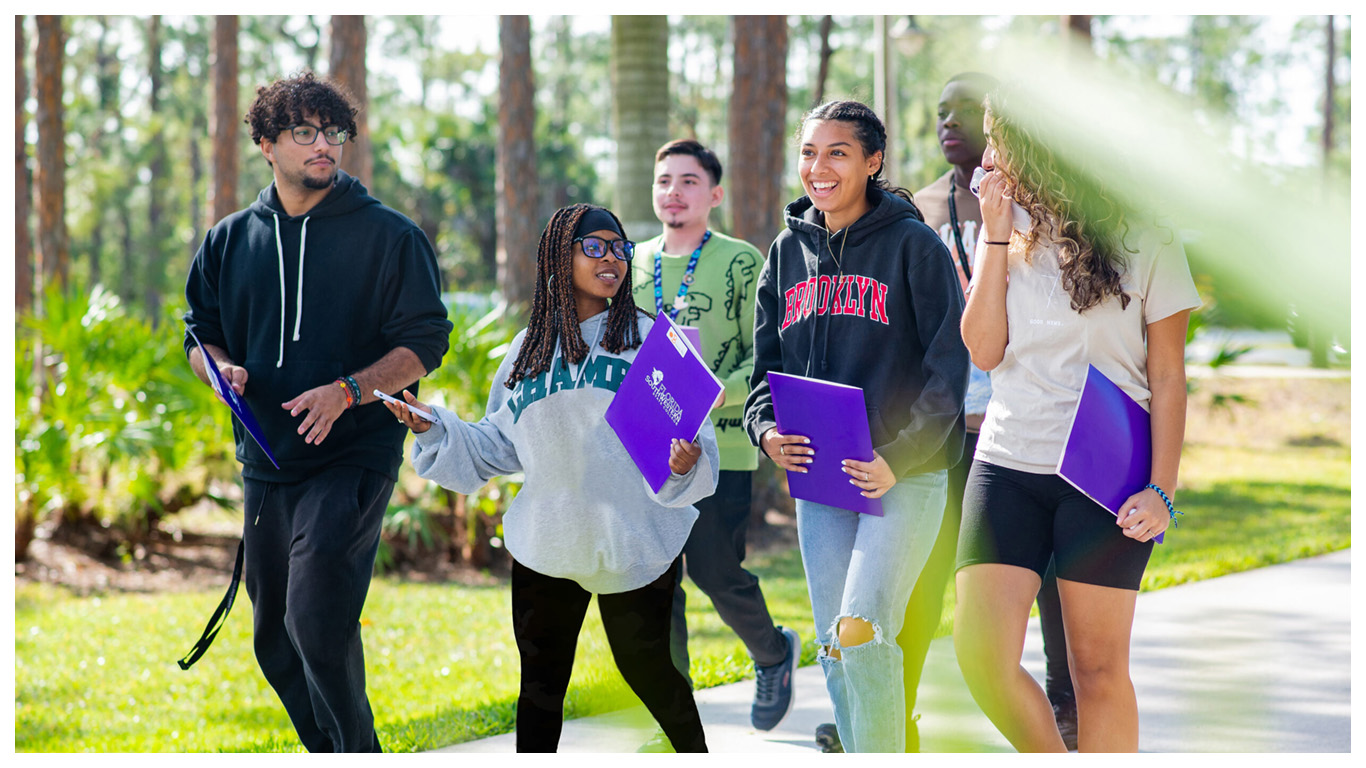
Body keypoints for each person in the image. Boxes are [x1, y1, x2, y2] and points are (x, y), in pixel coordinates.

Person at [182, 71, 452, 752]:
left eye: (332, 131)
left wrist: (348, 391)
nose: (323, 144)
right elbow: (199, 334)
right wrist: (219, 370)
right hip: (267, 461)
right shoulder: (228, 240)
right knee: (274, 638)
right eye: (304, 132)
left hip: (354, 454)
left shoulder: (391, 237)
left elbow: (424, 343)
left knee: (316, 618)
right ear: (267, 143)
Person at [387, 203, 718, 753]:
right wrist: (434, 427)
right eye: (595, 246)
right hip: (548, 540)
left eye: (619, 248)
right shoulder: (527, 351)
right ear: (558, 257)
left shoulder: (654, 341)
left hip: (633, 536)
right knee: (540, 689)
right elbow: (497, 445)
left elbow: (691, 441)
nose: (611, 257)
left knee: (652, 674)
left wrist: (684, 462)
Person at [953, 82, 1200, 752]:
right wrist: (997, 241)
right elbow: (983, 349)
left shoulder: (1149, 238)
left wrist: (1163, 489)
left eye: (996, 139)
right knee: (979, 654)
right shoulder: (1004, 234)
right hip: (1008, 463)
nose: (987, 156)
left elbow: (1169, 376)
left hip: (1105, 473)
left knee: (1095, 669)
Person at [744, 100, 969, 753]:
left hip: (906, 474)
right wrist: (765, 431)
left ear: (873, 162)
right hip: (823, 479)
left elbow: (947, 371)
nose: (818, 167)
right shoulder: (786, 252)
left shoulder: (913, 247)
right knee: (834, 644)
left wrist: (898, 457)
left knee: (863, 626)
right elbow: (766, 368)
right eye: (809, 152)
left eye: (837, 152)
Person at [897, 72, 1078, 752]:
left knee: (1056, 588)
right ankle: (897, 711)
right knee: (923, 575)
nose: (949, 122)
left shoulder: (1051, 218)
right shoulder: (920, 211)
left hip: (1025, 433)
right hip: (944, 432)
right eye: (940, 111)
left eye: (967, 112)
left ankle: (1068, 713)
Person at [631, 139, 800, 733]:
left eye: (688, 182)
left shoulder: (741, 261)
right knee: (657, 582)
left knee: (713, 569)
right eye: (664, 181)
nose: (673, 192)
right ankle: (672, 714)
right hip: (649, 450)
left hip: (720, 447)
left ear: (715, 194)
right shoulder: (631, 261)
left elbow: (767, 350)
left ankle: (773, 651)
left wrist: (723, 389)